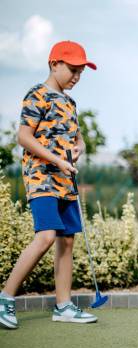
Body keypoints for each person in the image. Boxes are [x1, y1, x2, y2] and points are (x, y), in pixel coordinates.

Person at [0, 41, 98, 330]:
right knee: (46, 236)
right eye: (72, 69)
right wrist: (56, 158)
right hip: (41, 178)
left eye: (81, 71)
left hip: (66, 180)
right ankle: (5, 298)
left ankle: (63, 305)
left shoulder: (70, 103)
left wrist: (79, 147)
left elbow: (78, 138)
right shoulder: (37, 95)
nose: (76, 76)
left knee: (67, 240)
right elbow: (24, 137)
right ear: (54, 64)